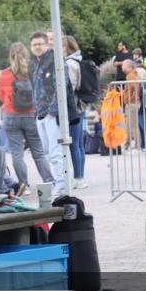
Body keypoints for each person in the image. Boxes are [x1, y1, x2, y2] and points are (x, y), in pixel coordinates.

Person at [0, 42, 54, 195]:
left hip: (10, 116)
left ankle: (24, 186)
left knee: (17, 153)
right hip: (31, 115)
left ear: (10, 56)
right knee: (38, 152)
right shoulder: (33, 71)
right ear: (26, 54)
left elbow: (1, 97)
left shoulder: (4, 74)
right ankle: (49, 181)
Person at [28, 30, 79, 196]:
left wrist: (53, 110)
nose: (37, 47)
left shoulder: (56, 60)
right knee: (48, 151)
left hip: (53, 114)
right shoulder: (35, 63)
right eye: (34, 44)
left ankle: (62, 184)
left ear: (46, 44)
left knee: (56, 151)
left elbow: (61, 86)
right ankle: (62, 181)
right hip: (40, 113)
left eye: (40, 44)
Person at [63, 35, 88, 188]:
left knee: (74, 145)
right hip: (80, 106)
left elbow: (70, 87)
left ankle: (78, 177)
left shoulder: (70, 64)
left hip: (73, 108)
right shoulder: (78, 60)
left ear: (68, 48)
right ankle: (80, 176)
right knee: (78, 144)